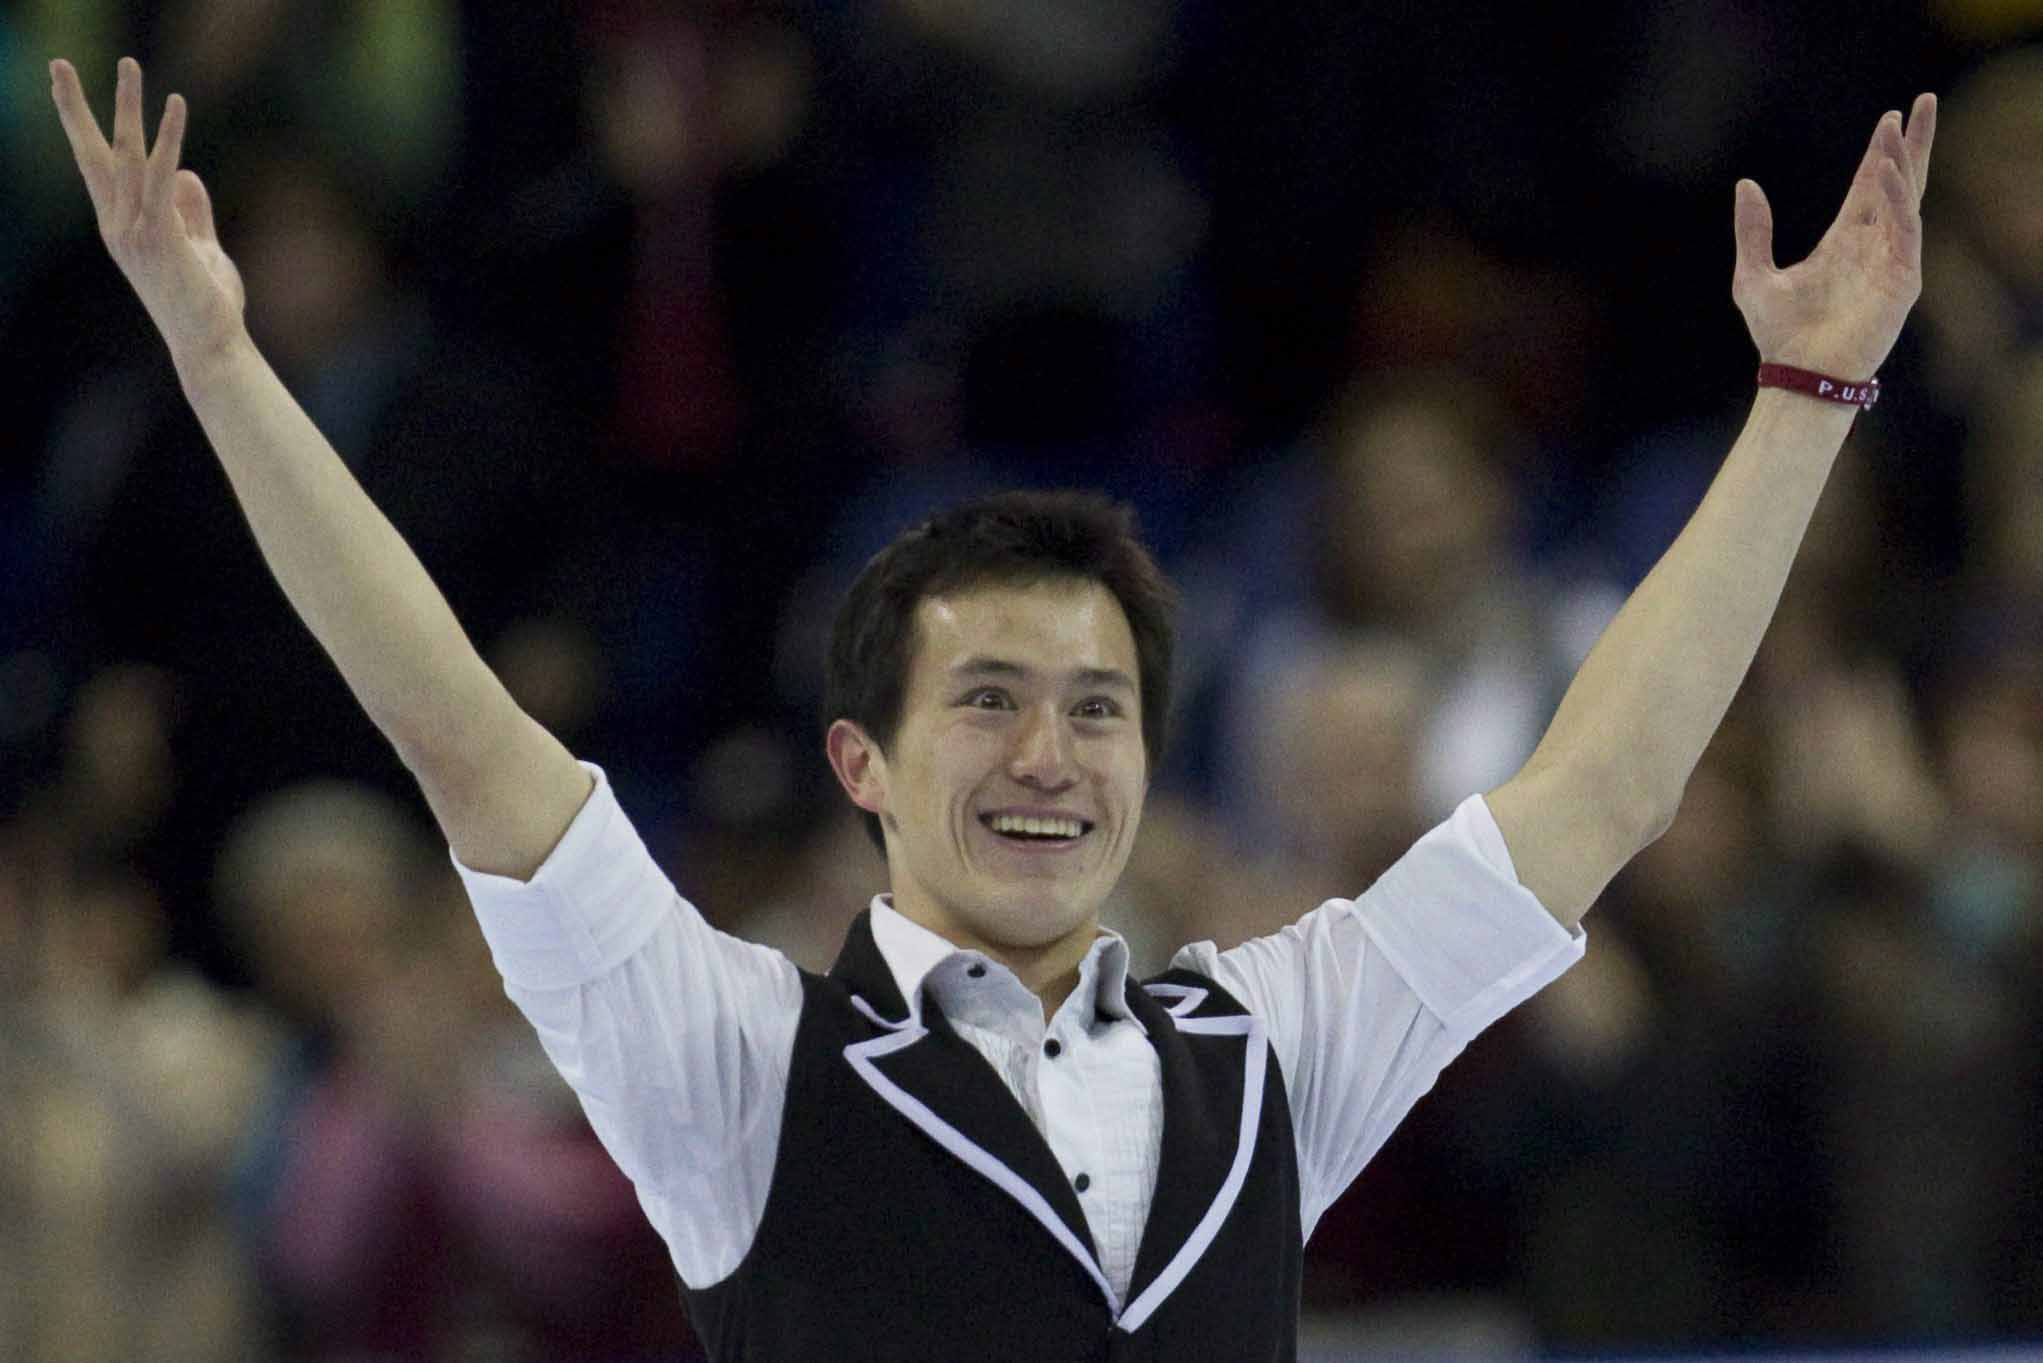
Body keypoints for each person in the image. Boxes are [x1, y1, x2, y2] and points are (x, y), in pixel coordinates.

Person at [49, 55, 1935, 1360]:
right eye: (995, 703)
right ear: (859, 761)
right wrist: (221, 361)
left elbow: (1603, 791)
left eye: (1101, 711)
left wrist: (1801, 403)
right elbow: (461, 729)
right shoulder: (733, 1062)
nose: (1053, 757)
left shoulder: (1270, 1047)